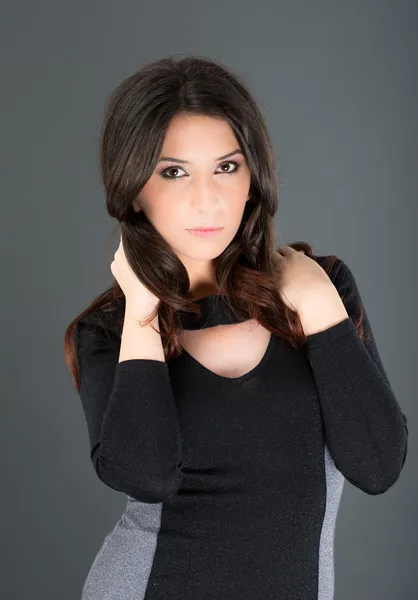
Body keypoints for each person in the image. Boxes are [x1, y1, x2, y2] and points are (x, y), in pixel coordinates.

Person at [64, 55, 408, 600]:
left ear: (254, 177)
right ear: (133, 189)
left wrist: (319, 308)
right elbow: (147, 476)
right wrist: (143, 311)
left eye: (227, 166)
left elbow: (377, 465)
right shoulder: (110, 331)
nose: (208, 199)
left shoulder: (322, 291)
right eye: (173, 172)